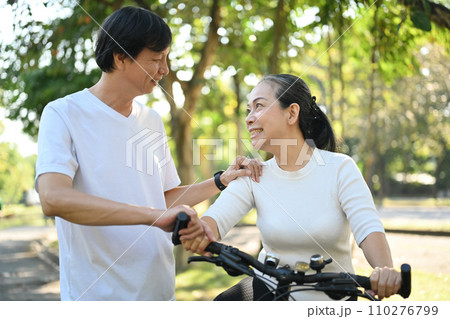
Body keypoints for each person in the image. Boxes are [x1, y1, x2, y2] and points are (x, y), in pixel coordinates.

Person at [35, 6, 259, 301]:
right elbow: (53, 199)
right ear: (120, 57)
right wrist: (155, 217)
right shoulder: (64, 114)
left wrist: (220, 181)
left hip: (158, 291)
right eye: (156, 59)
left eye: (166, 58)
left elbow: (162, 198)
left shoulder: (150, 120)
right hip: (97, 296)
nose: (165, 69)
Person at [181, 74, 402, 301]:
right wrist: (197, 231)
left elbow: (368, 228)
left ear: (292, 113)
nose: (249, 118)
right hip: (270, 294)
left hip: (334, 299)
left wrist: (383, 270)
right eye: (248, 110)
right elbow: (213, 222)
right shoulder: (253, 175)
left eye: (259, 106)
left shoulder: (339, 168)